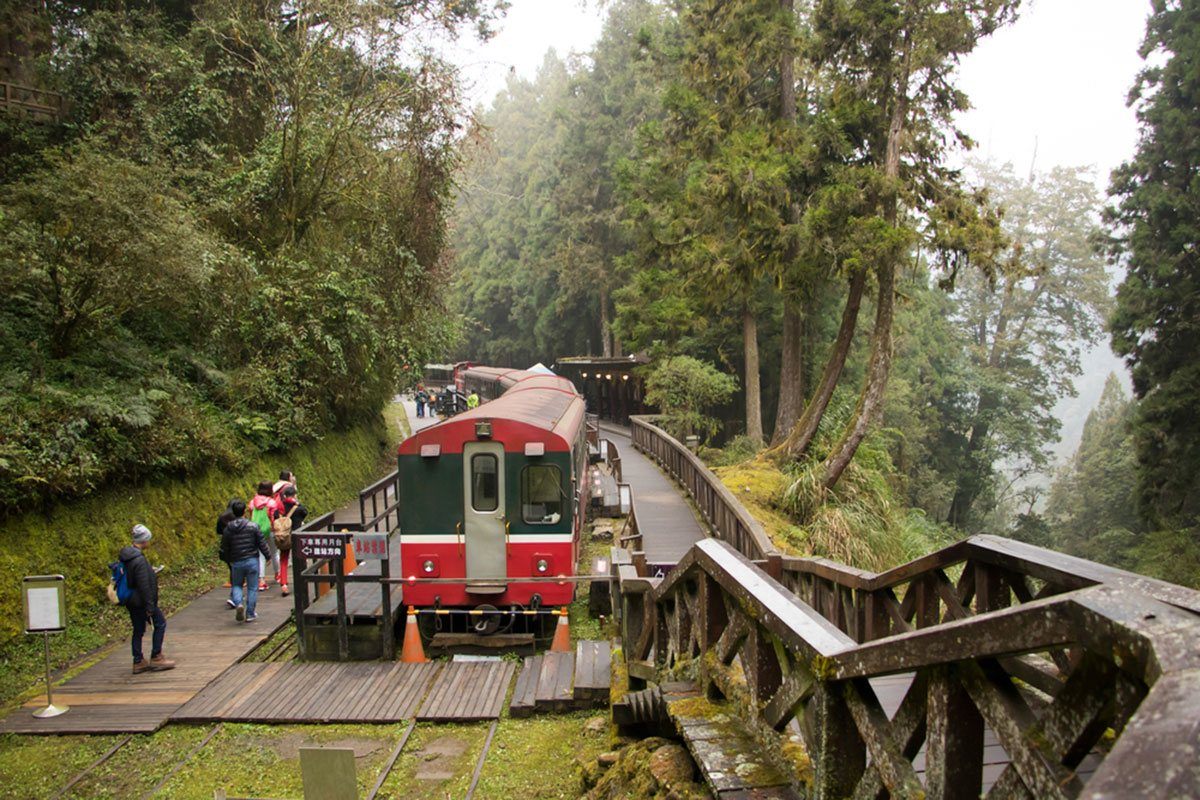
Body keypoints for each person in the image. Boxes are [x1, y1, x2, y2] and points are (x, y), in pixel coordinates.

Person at [120, 525, 175, 673]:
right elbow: (144, 584)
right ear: (144, 541)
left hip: (131, 600)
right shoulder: (139, 560)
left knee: (138, 630)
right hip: (142, 601)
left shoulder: (127, 557)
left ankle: (138, 660)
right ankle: (156, 656)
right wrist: (150, 606)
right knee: (160, 623)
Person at [220, 500, 270, 622]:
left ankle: (238, 604)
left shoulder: (228, 529)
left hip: (236, 561)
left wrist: (228, 559)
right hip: (252, 559)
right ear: (245, 512)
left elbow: (224, 547)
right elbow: (262, 543)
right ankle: (250, 613)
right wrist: (267, 555)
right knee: (252, 587)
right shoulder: (253, 526)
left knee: (237, 584)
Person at [273, 484, 307, 596]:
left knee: (284, 560)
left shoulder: (279, 507)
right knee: (299, 558)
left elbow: (275, 516)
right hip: (296, 535)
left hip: (284, 536)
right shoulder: (298, 507)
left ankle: (283, 584)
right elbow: (304, 513)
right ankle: (300, 581)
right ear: (294, 495)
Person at [249, 481, 279, 591]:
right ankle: (278, 574)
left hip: (256, 531)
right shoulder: (271, 502)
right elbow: (275, 517)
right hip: (270, 530)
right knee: (274, 552)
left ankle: (261, 580)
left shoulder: (253, 502)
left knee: (260, 554)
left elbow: (251, 515)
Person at [216, 499, 238, 596]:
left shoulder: (222, 516)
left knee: (231, 568)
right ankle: (235, 593)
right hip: (237, 544)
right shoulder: (237, 517)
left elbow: (218, 531)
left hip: (226, 544)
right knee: (237, 569)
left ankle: (234, 591)